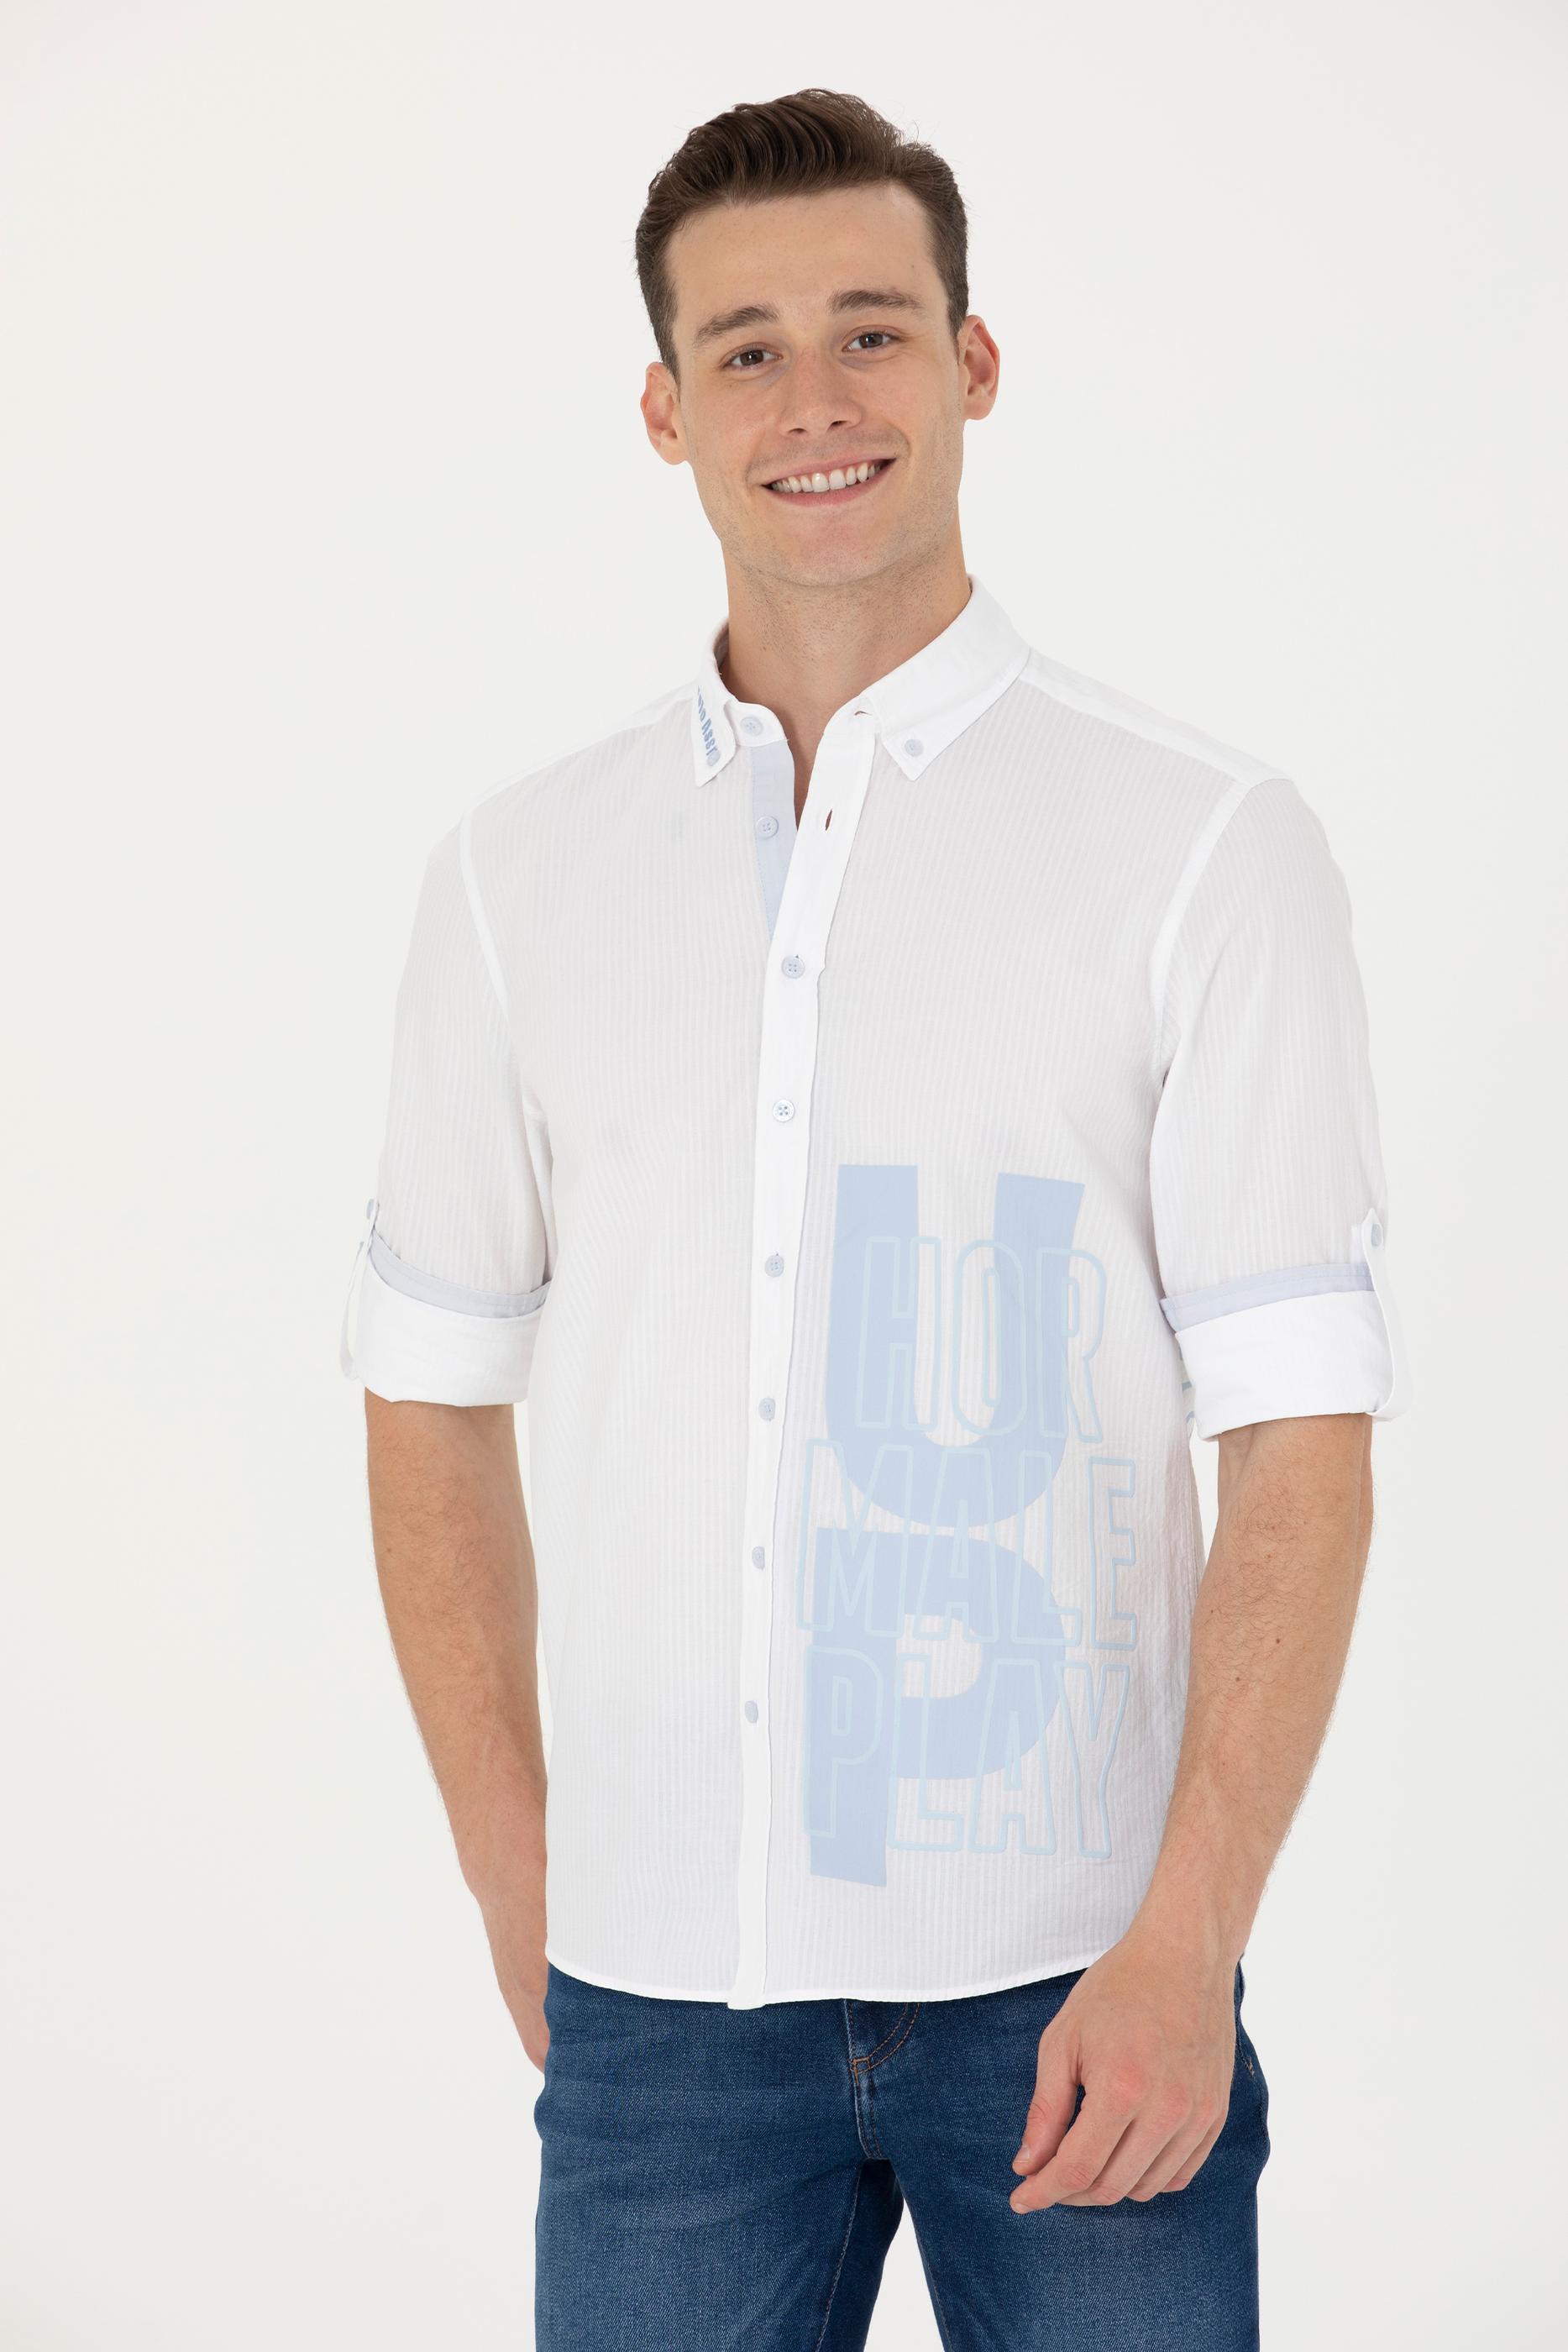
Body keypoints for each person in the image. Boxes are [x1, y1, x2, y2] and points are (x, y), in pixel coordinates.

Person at [339, 86, 1411, 2352]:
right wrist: (521, 1873)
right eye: (743, 350)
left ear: (972, 363)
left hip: (1085, 1978)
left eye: (870, 330)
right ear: (664, 409)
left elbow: (1297, 1439)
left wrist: (1191, 1932)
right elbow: (427, 1394)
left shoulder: (1202, 846)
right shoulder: (518, 877)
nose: (812, 399)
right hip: (656, 2006)